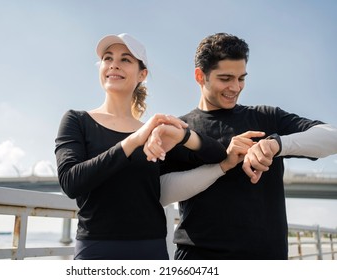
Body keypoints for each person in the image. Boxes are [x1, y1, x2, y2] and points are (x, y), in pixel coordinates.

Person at [161, 32, 337, 260]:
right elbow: (160, 193)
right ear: (200, 76)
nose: (235, 87)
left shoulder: (266, 117)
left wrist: (276, 144)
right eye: (225, 78)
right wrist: (222, 165)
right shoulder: (180, 128)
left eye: (241, 78)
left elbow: (332, 137)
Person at [54, 33, 230, 260]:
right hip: (96, 249)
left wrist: (182, 135)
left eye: (125, 59)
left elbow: (217, 154)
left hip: (150, 249)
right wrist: (133, 141)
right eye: (108, 58)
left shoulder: (156, 134)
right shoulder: (77, 121)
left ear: (142, 74)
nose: (114, 64)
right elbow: (71, 182)